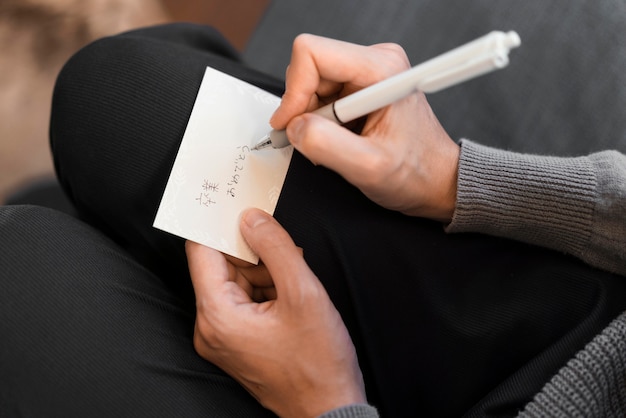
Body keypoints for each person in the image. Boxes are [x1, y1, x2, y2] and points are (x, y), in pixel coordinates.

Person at [1, 23, 625, 417]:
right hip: (581, 319)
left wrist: (322, 403)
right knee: (111, 95)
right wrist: (447, 177)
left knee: (19, 272)